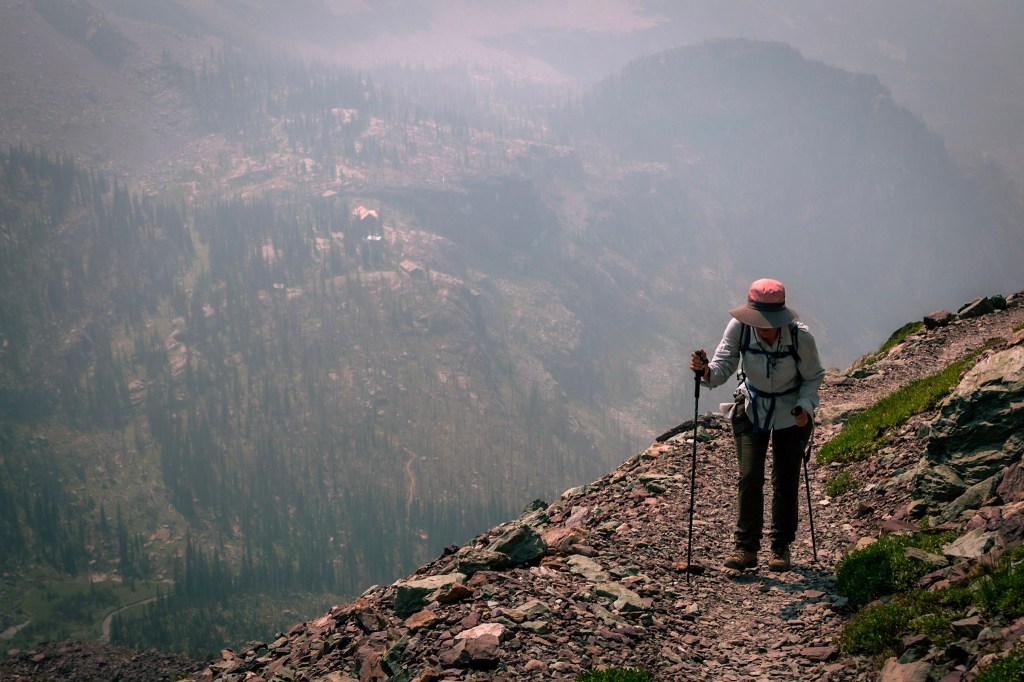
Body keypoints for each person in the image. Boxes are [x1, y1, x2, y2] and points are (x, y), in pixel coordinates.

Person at [690, 278, 825, 571]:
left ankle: (780, 547)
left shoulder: (801, 338)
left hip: (791, 411)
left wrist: (806, 407)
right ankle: (746, 548)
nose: (763, 326)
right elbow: (722, 365)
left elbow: (813, 377)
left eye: (769, 321)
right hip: (752, 406)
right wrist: (705, 371)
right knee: (750, 476)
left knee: (785, 479)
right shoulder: (740, 328)